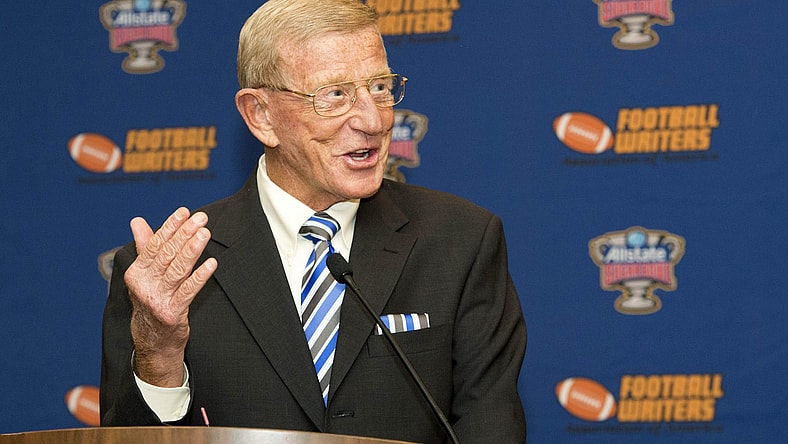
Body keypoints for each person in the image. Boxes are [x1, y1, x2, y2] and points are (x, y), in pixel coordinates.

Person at [100, 0, 527, 442]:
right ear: (261, 115)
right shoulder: (169, 273)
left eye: (380, 87)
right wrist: (158, 356)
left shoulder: (461, 242)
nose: (373, 120)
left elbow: (491, 425)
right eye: (335, 94)